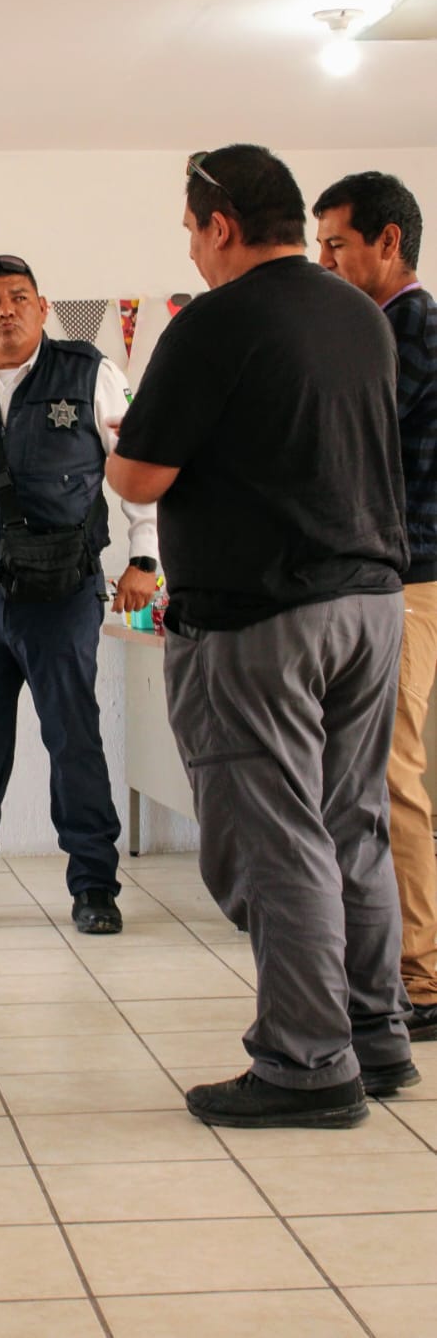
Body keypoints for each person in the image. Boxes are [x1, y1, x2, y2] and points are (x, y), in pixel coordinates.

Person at [107, 144, 417, 1129]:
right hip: (372, 606)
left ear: (222, 225)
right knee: (350, 822)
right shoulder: (358, 316)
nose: (192, 252)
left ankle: (305, 1062)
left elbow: (137, 477)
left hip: (262, 620)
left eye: (192, 232)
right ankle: (374, 1035)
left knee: (276, 840)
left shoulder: (214, 322)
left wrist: (122, 449)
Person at [0, 254, 159, 937]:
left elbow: (137, 466)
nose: (6, 311)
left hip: (60, 595)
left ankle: (94, 885)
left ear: (44, 308)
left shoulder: (90, 373)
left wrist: (144, 558)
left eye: (20, 298)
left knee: (73, 741)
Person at [313, 171, 437, 1045]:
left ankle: (420, 977)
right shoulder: (381, 330)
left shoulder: (407, 332)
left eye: (336, 245)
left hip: (410, 580)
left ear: (388, 243)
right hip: (384, 577)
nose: (323, 263)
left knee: (390, 775)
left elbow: (352, 447)